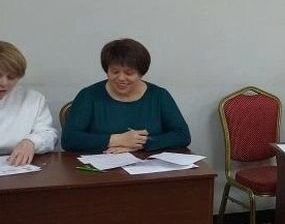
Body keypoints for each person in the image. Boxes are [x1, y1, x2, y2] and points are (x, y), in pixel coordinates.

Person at [62, 39, 190, 153]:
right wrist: (117, 140)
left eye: (129, 73)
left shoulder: (159, 96)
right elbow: (69, 139)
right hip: (100, 167)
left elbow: (182, 135)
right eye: (115, 72)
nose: (121, 78)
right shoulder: (89, 95)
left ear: (141, 73)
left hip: (148, 167)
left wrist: (139, 144)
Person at [0, 41, 58, 165]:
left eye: (11, 77)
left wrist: (31, 142)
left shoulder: (33, 99)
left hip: (16, 166)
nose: (4, 83)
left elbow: (49, 135)